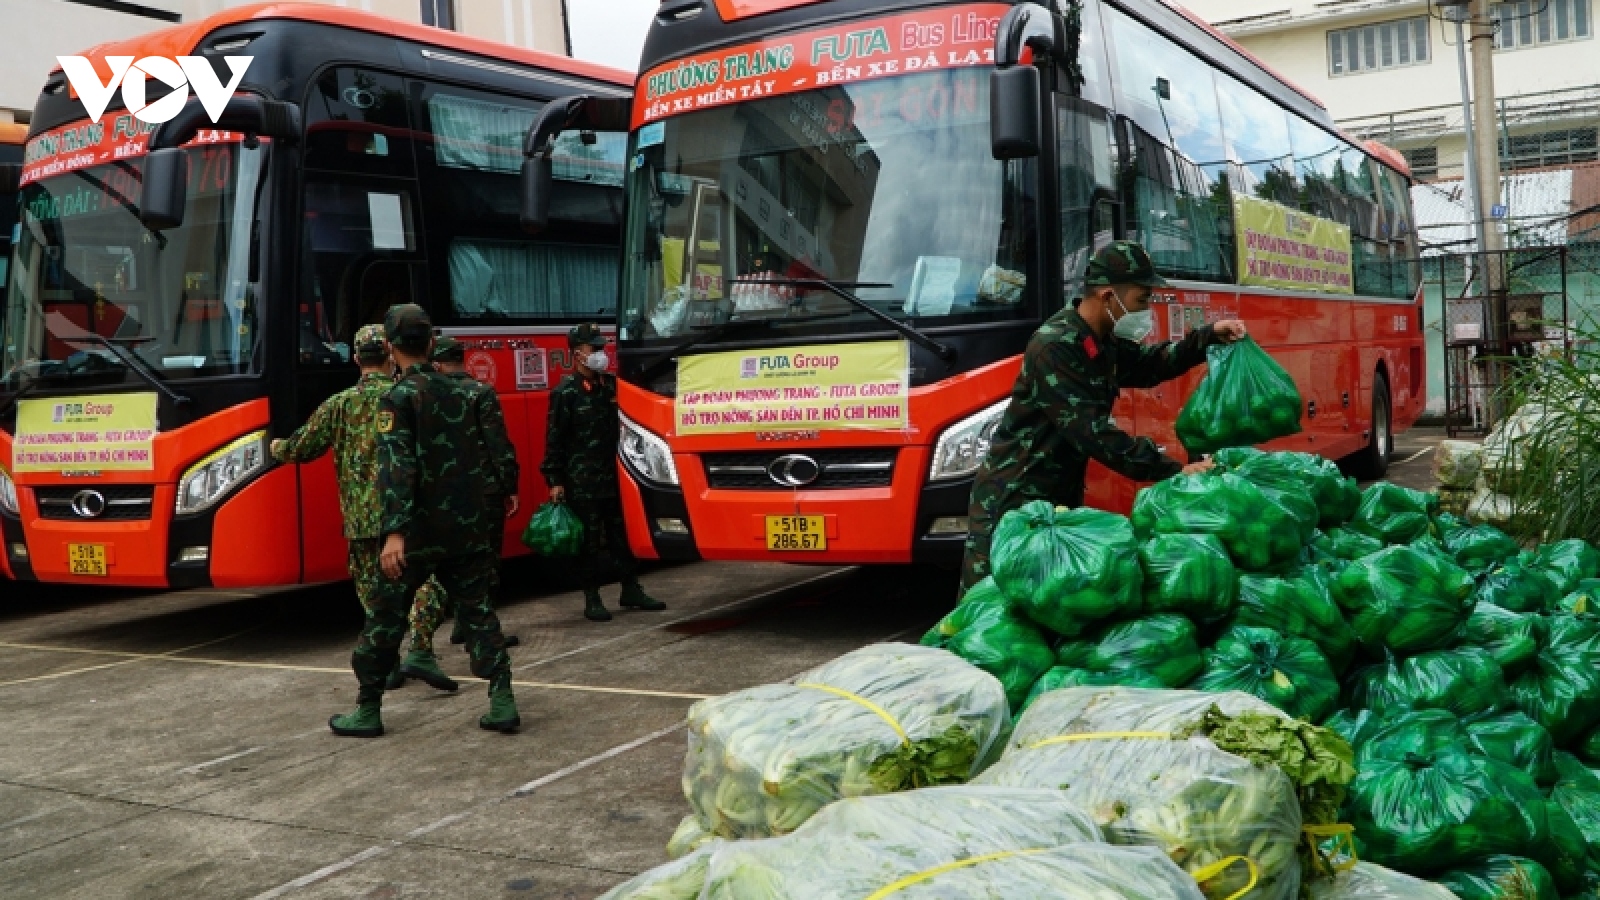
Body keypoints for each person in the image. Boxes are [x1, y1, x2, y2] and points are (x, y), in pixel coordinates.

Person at [957, 241, 1249, 594]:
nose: (1148, 309)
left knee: (1048, 605)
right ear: (1110, 296)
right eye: (1142, 299)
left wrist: (1206, 338)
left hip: (1055, 498)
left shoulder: (1101, 340)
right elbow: (1093, 433)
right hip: (1012, 501)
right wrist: (1171, 469)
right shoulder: (1057, 346)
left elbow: (1149, 365)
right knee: (991, 609)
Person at [330, 303, 520, 737]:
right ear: (431, 342)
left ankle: (368, 708)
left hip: (416, 532)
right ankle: (502, 697)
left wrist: (394, 533)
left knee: (383, 618)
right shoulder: (466, 391)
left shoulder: (397, 398)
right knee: (478, 614)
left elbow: (397, 468)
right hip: (467, 527)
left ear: (392, 347)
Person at [388, 335, 520, 693]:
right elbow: (498, 444)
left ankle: (377, 689)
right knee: (480, 574)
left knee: (393, 603)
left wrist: (395, 526)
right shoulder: (476, 393)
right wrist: (509, 485)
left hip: (425, 512)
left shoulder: (408, 394)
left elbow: (401, 464)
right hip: (478, 498)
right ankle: (499, 690)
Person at [269, 324, 399, 635]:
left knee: (372, 595)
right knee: (418, 586)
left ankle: (385, 656)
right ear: (390, 355)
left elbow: (300, 449)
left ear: (356, 358)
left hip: (360, 520)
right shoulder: (404, 396)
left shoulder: (338, 405)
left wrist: (275, 447)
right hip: (403, 514)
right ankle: (422, 650)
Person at [542, 323, 666, 622]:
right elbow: (555, 438)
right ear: (577, 354)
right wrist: (555, 480)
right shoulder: (565, 393)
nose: (600, 354)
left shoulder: (612, 386)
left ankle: (631, 588)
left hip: (617, 476)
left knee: (621, 535)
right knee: (589, 541)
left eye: (601, 348)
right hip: (582, 479)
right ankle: (592, 597)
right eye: (593, 349)